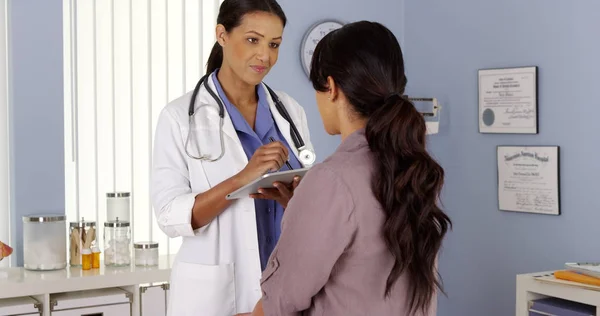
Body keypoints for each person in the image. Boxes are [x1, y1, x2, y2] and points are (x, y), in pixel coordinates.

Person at [250, 21, 452, 316]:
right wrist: (304, 209)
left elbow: (280, 302)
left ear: (331, 88)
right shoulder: (415, 171)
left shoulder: (330, 180)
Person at [150, 0, 315, 315]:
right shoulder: (178, 118)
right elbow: (170, 215)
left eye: (274, 44)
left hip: (283, 289)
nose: (264, 56)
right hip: (217, 295)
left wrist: (295, 197)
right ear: (222, 35)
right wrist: (244, 177)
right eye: (252, 40)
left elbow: (306, 200)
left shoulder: (290, 111)